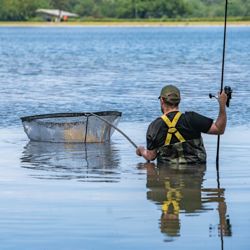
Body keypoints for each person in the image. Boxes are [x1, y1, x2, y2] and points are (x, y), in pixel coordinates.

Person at [136, 84, 228, 164]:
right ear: (179, 100)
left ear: (162, 100)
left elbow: (151, 156)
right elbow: (219, 129)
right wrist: (222, 105)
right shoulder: (192, 118)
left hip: (168, 178)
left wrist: (141, 150)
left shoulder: (154, 126)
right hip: (195, 177)